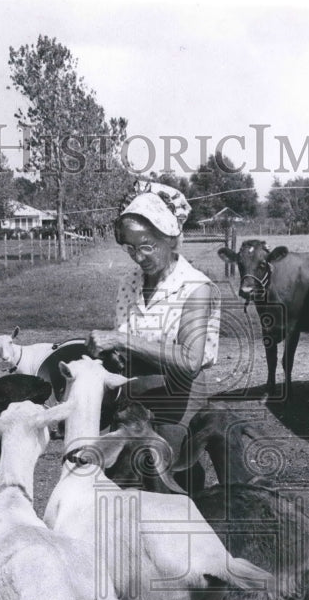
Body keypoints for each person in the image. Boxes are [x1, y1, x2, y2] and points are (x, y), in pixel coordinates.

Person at [87, 182, 221, 470]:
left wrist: (121, 342)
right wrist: (107, 354)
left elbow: (189, 360)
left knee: (169, 495)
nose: (138, 256)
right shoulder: (130, 283)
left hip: (177, 410)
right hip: (131, 410)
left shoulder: (195, 288)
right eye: (131, 248)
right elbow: (121, 352)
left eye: (147, 246)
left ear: (171, 239)